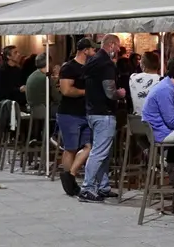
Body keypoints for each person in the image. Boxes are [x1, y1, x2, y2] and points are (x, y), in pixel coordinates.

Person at [79, 34, 125, 203]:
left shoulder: (92, 61)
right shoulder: (106, 65)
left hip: (91, 111)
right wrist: (119, 94)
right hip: (104, 113)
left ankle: (103, 186)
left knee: (103, 152)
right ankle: (87, 188)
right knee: (99, 152)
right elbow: (110, 92)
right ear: (111, 45)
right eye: (118, 46)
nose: (119, 50)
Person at [142, 57, 174, 190]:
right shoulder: (165, 90)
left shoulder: (168, 86)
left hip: (162, 130)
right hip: (161, 133)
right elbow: (171, 121)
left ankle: (172, 165)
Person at [56, 39, 96, 197]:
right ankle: (68, 181)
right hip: (69, 113)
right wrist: (87, 92)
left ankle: (70, 175)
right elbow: (66, 90)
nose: (95, 53)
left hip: (86, 113)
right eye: (93, 50)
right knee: (71, 148)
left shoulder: (90, 68)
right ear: (85, 50)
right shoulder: (69, 67)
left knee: (89, 146)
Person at [128, 51, 162, 117]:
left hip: (137, 119)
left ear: (142, 64)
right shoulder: (162, 81)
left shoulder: (133, 77)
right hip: (156, 120)